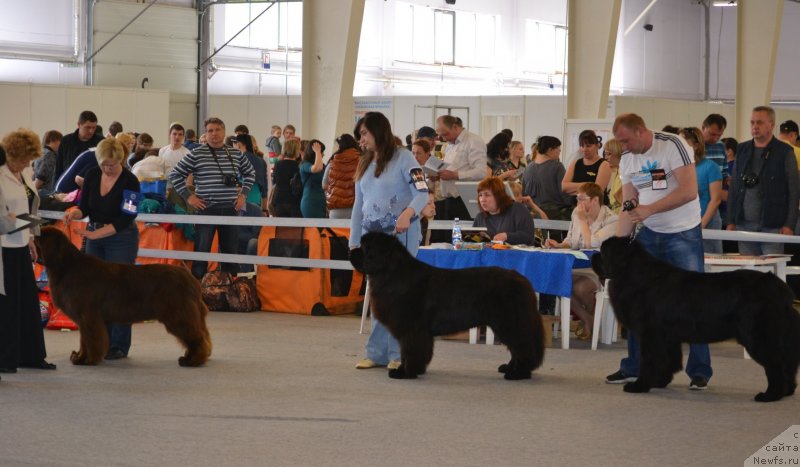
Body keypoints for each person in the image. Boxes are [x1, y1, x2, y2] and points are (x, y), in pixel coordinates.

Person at [605, 112, 712, 391]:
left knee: (694, 301)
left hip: (683, 233)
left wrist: (650, 209)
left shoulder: (673, 145)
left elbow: (689, 191)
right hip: (649, 235)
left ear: (641, 131)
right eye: (620, 142)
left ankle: (699, 370)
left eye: (626, 140)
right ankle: (635, 366)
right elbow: (629, 204)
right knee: (636, 302)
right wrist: (618, 247)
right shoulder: (628, 159)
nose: (623, 147)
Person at [350, 111, 429, 371]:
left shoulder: (405, 158)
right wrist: (354, 242)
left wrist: (408, 213)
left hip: (401, 236)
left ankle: (399, 353)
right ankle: (376, 353)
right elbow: (358, 206)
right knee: (379, 295)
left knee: (399, 296)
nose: (361, 139)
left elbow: (422, 193)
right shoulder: (364, 162)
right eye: (359, 135)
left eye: (364, 133)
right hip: (373, 242)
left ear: (378, 130)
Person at [63, 137, 141, 360]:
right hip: (94, 236)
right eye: (103, 164)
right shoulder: (92, 175)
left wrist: (97, 234)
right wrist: (75, 213)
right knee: (94, 291)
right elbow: (84, 207)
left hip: (121, 237)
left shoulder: (131, 181)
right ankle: (99, 342)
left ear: (121, 160)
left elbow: (127, 217)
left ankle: (118, 345)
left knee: (120, 291)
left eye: (112, 165)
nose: (107, 169)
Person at [170, 117, 255, 279]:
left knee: (230, 255)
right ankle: (197, 290)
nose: (214, 134)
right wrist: (189, 197)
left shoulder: (236, 153)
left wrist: (243, 195)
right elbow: (175, 175)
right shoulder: (196, 154)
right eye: (210, 131)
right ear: (206, 134)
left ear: (224, 132)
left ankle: (230, 288)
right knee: (201, 254)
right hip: (205, 209)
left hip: (230, 208)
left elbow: (250, 173)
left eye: (217, 130)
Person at [0, 129, 56, 373]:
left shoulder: (22, 174)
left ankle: (31, 355)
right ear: (11, 155)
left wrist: (32, 236)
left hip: (21, 243)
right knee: (8, 306)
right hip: (4, 247)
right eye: (24, 159)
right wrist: (27, 222)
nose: (27, 164)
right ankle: (6, 359)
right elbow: (4, 220)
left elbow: (29, 208)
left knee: (28, 303)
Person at [544, 182, 617, 339]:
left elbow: (591, 244)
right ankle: (589, 319)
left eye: (582, 199)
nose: (578, 203)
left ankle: (592, 321)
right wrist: (559, 245)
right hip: (578, 266)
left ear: (595, 200)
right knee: (557, 282)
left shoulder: (611, 219)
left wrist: (583, 220)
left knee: (581, 288)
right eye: (577, 199)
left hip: (600, 268)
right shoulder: (576, 213)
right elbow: (571, 240)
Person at [727, 106, 799, 255]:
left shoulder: (785, 152)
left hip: (773, 225)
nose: (755, 126)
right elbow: (734, 187)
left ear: (771, 125)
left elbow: (794, 190)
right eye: (752, 122)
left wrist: (790, 224)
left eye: (759, 122)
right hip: (744, 224)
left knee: (772, 268)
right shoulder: (742, 149)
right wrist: (730, 220)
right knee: (747, 268)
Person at [434, 115, 487, 222]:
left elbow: (481, 172)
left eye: (446, 134)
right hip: (448, 199)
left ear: (455, 127)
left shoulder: (474, 141)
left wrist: (454, 175)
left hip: (464, 200)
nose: (444, 139)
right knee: (449, 232)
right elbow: (452, 167)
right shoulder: (450, 144)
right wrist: (438, 175)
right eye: (441, 136)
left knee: (461, 232)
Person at [681, 127, 722, 254]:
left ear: (696, 146)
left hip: (707, 222)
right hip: (684, 224)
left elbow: (716, 200)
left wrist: (701, 225)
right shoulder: (679, 168)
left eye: (684, 144)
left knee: (709, 260)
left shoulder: (711, 167)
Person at [521, 136, 573, 221]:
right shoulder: (557, 166)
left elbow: (523, 193)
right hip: (554, 215)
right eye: (558, 148)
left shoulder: (528, 167)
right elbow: (564, 192)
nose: (560, 151)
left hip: (532, 214)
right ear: (550, 150)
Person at [472, 176, 535, 245]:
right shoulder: (480, 217)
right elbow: (472, 241)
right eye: (480, 195)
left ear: (499, 196)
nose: (482, 199)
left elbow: (528, 236)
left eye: (487, 195)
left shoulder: (518, 209)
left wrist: (507, 236)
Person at [562, 129, 611, 203]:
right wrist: (588, 185)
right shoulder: (575, 163)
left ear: (597, 146)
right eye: (582, 146)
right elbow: (564, 187)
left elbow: (597, 192)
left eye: (588, 146)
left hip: (596, 207)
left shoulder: (604, 164)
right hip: (576, 206)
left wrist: (573, 190)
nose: (585, 149)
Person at [54, 110, 104, 183]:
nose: (91, 131)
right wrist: (56, 186)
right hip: (68, 184)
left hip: (92, 184)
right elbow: (58, 167)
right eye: (87, 127)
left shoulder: (101, 142)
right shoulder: (66, 141)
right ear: (79, 125)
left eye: (94, 128)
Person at [322, 133, 360, 219]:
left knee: (335, 228)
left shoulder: (332, 163)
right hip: (355, 209)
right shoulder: (361, 161)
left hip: (336, 209)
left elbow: (324, 185)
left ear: (340, 146)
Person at [270, 139, 302, 217]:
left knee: (281, 224)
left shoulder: (277, 164)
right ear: (296, 150)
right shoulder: (299, 166)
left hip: (279, 200)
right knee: (295, 225)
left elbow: (274, 182)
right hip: (294, 201)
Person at [299, 139, 326, 218]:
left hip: (321, 202)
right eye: (322, 152)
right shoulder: (304, 164)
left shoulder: (322, 165)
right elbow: (317, 168)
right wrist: (318, 151)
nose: (323, 154)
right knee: (313, 226)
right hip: (310, 203)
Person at [34, 130, 62, 197]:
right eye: (60, 141)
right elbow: (42, 176)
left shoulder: (41, 152)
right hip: (46, 192)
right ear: (53, 140)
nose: (61, 145)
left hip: (39, 191)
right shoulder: (49, 154)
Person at [603, 139, 624, 214]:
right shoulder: (618, 172)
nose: (606, 158)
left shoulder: (625, 173)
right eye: (605, 154)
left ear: (618, 153)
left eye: (609, 154)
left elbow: (622, 199)